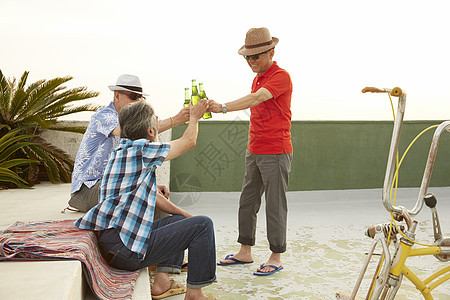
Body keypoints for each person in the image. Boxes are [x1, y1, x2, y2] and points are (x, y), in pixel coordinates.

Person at [74, 99, 217, 300]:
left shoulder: (122, 151)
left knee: (181, 220)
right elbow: (188, 141)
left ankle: (162, 283)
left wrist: (185, 216)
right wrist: (194, 117)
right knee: (203, 225)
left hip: (114, 245)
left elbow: (152, 196)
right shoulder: (141, 151)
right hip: (125, 251)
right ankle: (195, 294)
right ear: (150, 131)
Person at [209, 27, 293, 276]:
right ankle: (245, 251)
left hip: (276, 151)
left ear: (271, 52)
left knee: (275, 205)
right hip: (254, 150)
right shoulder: (257, 77)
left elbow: (256, 99)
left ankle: (276, 256)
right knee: (247, 201)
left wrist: (223, 107)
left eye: (255, 56)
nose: (250, 61)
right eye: (247, 57)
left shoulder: (281, 76)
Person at [68, 74, 189, 213]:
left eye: (140, 97)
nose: (137, 101)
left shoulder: (126, 121)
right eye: (133, 96)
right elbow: (136, 131)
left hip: (109, 185)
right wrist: (176, 120)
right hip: (87, 190)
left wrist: (150, 185)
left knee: (155, 201)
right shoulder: (103, 116)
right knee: (148, 201)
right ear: (117, 95)